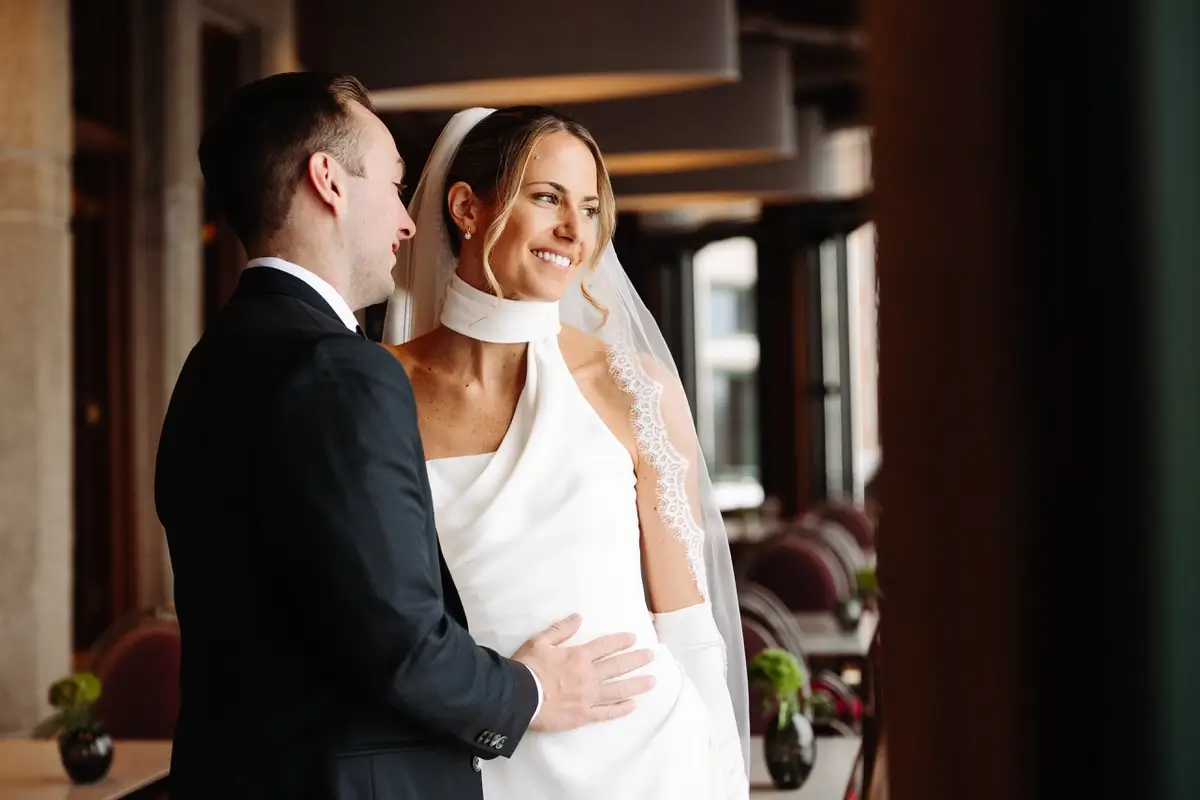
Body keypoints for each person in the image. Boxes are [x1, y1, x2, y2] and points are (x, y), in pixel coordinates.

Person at [154, 73, 657, 800]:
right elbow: (399, 643)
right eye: (392, 185)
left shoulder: (211, 365)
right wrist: (534, 694)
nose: (408, 221)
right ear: (327, 181)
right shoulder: (340, 369)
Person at [382, 106, 751, 799]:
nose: (573, 231)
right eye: (546, 197)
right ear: (467, 206)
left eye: (587, 207)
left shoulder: (631, 385)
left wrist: (724, 783)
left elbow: (686, 622)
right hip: (475, 759)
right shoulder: (379, 389)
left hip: (648, 762)